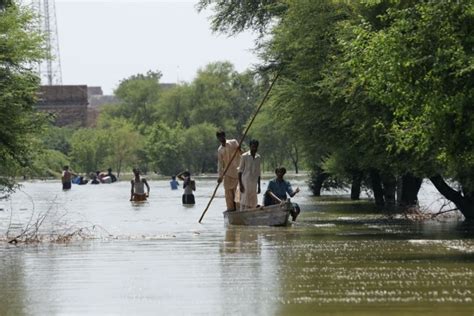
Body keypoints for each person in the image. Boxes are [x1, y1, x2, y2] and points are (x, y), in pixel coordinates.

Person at [216, 130, 242, 211]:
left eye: (222, 136)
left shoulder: (233, 142)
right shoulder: (220, 150)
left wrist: (239, 149)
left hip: (237, 172)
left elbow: (241, 153)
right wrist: (220, 176)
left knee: (237, 193)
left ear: (225, 136)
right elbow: (220, 164)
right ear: (218, 138)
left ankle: (238, 209)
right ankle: (230, 209)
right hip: (227, 173)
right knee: (228, 193)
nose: (221, 138)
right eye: (219, 137)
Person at [238, 139, 261, 210]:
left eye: (256, 147)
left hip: (254, 182)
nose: (254, 148)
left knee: (253, 200)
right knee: (245, 199)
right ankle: (242, 214)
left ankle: (251, 213)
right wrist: (241, 185)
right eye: (253, 146)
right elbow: (240, 171)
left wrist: (259, 186)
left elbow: (258, 172)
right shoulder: (244, 156)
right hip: (245, 182)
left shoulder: (258, 157)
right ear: (250, 146)